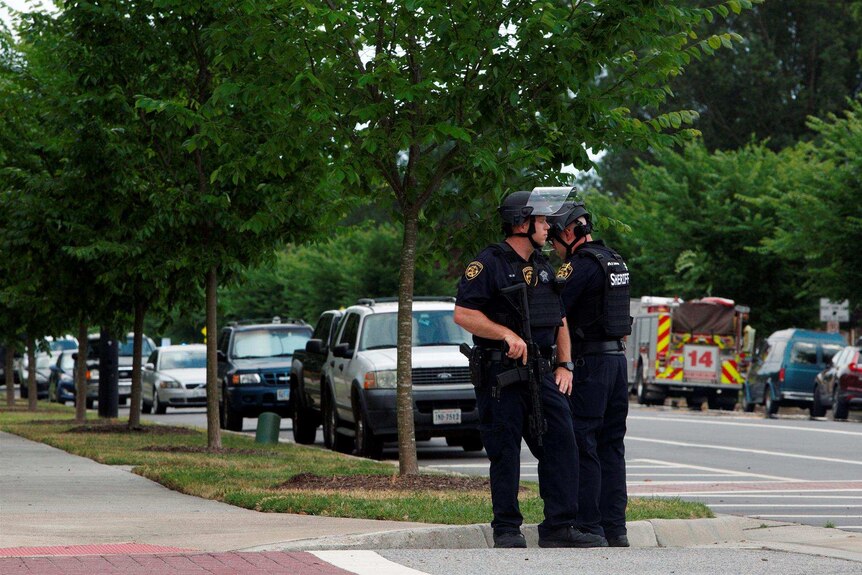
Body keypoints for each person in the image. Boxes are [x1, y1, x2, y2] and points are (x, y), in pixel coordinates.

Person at [454, 189, 608, 549]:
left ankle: (559, 526)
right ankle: (506, 527)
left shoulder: (542, 265)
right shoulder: (489, 263)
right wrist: (505, 333)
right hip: (501, 373)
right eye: (542, 221)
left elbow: (560, 318)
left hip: (540, 372)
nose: (549, 228)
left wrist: (565, 364)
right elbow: (464, 314)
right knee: (505, 451)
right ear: (522, 223)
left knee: (562, 442)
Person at [548, 201, 632, 548]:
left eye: (554, 238)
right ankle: (616, 528)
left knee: (585, 442)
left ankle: (589, 525)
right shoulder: (615, 260)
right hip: (616, 363)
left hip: (591, 365)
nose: (552, 247)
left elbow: (554, 307)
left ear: (569, 233)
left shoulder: (579, 266)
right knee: (612, 445)